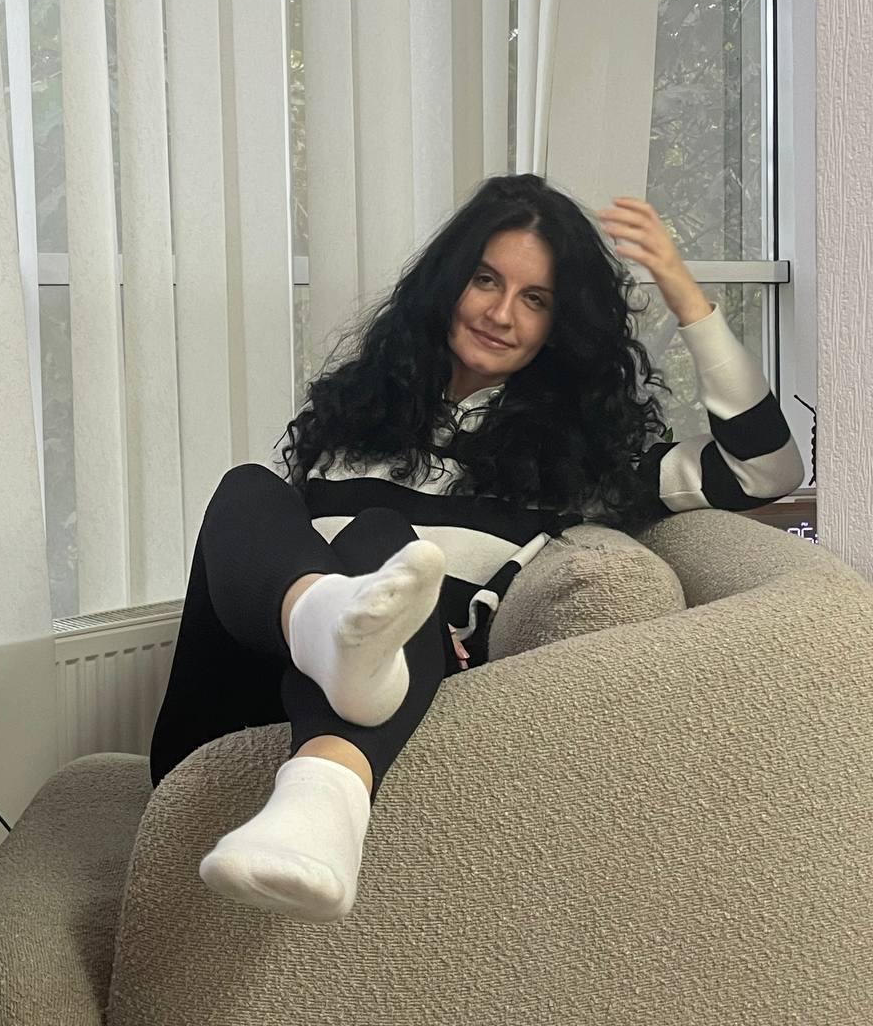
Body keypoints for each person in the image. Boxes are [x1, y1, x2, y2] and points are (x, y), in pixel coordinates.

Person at [148, 173, 803, 924]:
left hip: (395, 715)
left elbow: (767, 468)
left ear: (561, 325)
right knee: (247, 488)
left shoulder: (582, 464)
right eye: (486, 280)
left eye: (535, 298)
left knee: (383, 542)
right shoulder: (352, 421)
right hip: (234, 709)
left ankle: (324, 789)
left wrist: (686, 295)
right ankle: (327, 629)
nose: (500, 313)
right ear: (448, 282)